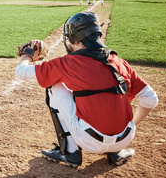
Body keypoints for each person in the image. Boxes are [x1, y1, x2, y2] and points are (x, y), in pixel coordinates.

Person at [15, 12, 158, 168]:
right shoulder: (118, 61)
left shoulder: (68, 63)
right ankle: (116, 151)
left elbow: (21, 72)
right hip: (125, 138)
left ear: (73, 38)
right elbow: (151, 98)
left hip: (90, 141)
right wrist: (131, 125)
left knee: (53, 84)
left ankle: (70, 152)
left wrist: (27, 56)